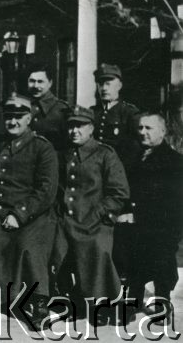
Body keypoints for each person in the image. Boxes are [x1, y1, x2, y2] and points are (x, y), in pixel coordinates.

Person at [0, 96, 58, 328]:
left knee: (30, 245)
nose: (13, 122)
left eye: (18, 117)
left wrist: (19, 214)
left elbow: (46, 190)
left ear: (29, 118)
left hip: (33, 213)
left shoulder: (41, 147)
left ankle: (39, 303)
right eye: (8, 117)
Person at [55, 106, 130, 325]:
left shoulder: (104, 153)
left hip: (95, 222)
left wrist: (98, 213)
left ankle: (102, 304)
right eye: (71, 126)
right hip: (66, 220)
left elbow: (119, 192)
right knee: (56, 251)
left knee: (97, 250)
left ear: (91, 128)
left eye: (80, 125)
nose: (74, 131)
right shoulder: (63, 153)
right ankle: (73, 301)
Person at [122, 112, 183, 325]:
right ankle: (134, 300)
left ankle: (162, 304)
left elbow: (175, 201)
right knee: (134, 260)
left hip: (163, 224)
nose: (143, 133)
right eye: (140, 128)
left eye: (149, 128)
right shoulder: (135, 157)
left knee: (161, 263)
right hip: (137, 222)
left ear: (163, 131)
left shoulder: (174, 161)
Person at [91, 63, 140, 282]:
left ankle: (123, 287)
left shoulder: (129, 113)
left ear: (119, 84)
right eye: (101, 83)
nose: (104, 88)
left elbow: (134, 154)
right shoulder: (93, 114)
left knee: (121, 241)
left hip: (119, 187)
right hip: (95, 187)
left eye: (109, 83)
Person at [27, 64, 70, 150]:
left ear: (50, 83)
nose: (35, 86)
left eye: (40, 82)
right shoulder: (23, 105)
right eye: (32, 81)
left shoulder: (61, 109)